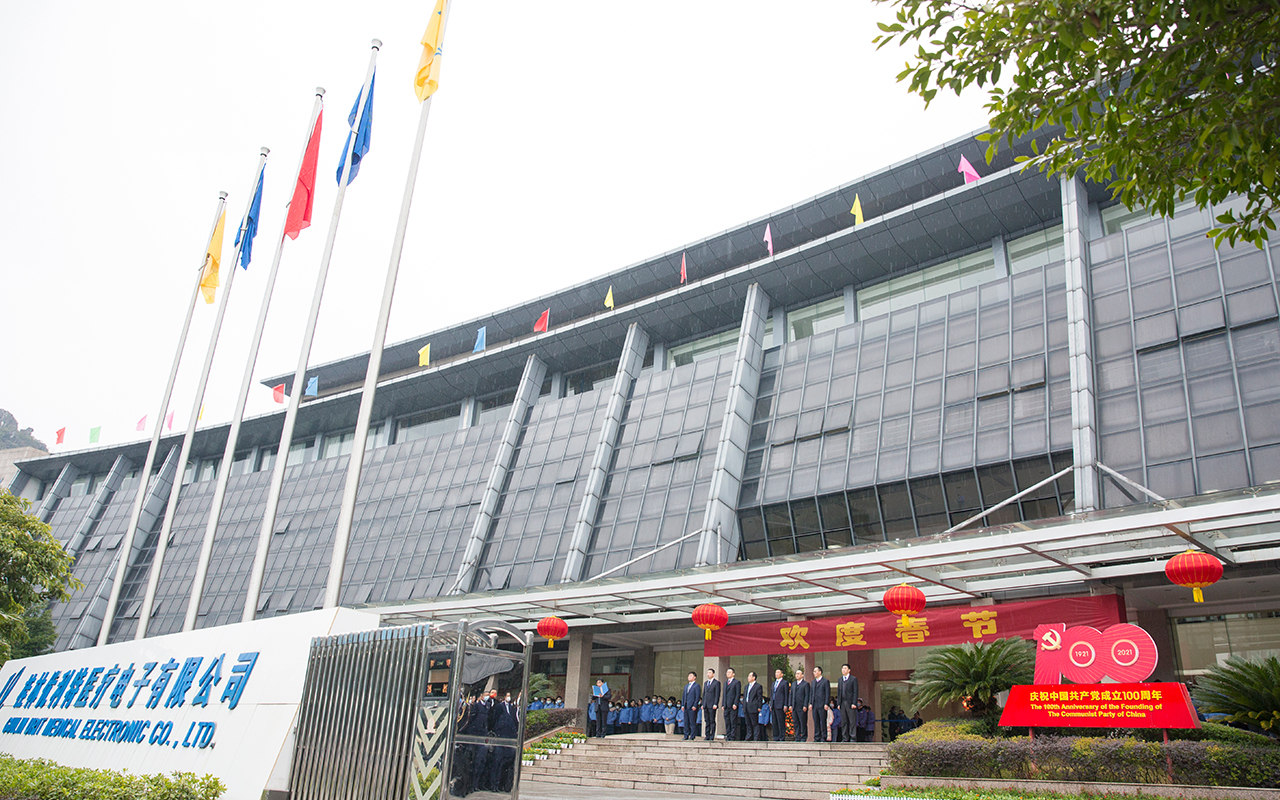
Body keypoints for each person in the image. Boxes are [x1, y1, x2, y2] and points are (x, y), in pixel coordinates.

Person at [837, 663, 859, 745]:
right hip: (842, 703)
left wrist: (854, 702)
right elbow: (839, 692)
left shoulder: (853, 679)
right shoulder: (840, 680)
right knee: (844, 721)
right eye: (842, 668)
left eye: (845, 668)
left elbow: (855, 692)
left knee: (852, 721)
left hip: (850, 703)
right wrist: (838, 703)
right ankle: (845, 738)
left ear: (849, 670)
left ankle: (853, 737)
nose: (843, 670)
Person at [769, 668, 790, 742]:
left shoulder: (784, 683)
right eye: (776, 672)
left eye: (778, 672)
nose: (776, 674)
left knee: (780, 721)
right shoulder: (773, 683)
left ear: (782, 674)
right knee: (774, 722)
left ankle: (781, 737)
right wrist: (771, 704)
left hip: (780, 704)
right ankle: (776, 736)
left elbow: (786, 694)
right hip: (774, 704)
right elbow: (771, 694)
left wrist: (785, 704)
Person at [811, 666, 830, 742]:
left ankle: (824, 736)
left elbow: (827, 693)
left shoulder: (825, 681)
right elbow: (811, 693)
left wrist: (826, 703)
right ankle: (817, 737)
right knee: (816, 721)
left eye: (815, 671)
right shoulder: (813, 682)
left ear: (820, 672)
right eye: (813, 671)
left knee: (822, 720)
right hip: (815, 704)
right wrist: (810, 703)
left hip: (822, 704)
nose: (814, 673)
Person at [791, 670, 811, 743]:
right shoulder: (793, 684)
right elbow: (791, 695)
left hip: (802, 706)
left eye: (799, 674)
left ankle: (803, 737)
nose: (797, 675)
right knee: (796, 722)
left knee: (802, 722)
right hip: (795, 706)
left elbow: (807, 695)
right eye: (796, 674)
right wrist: (790, 704)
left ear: (802, 675)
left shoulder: (805, 684)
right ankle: (797, 737)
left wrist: (805, 705)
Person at [701, 668, 721, 741]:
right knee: (707, 720)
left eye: (710, 673)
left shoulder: (716, 683)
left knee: (712, 720)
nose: (708, 674)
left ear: (713, 674)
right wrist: (703, 703)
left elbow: (717, 694)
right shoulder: (706, 683)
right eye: (707, 673)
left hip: (712, 705)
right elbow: (704, 694)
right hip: (706, 704)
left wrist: (715, 703)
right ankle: (707, 735)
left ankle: (712, 735)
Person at [743, 672, 763, 741]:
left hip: (753, 707)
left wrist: (759, 706)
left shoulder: (758, 686)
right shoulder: (746, 686)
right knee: (748, 723)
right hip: (746, 707)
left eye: (750, 676)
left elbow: (759, 697)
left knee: (755, 723)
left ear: (754, 677)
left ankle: (756, 738)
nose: (748, 677)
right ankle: (749, 736)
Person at [681, 671, 701, 740]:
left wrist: (695, 705)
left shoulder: (696, 686)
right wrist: (683, 705)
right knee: (686, 721)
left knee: (692, 722)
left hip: (692, 706)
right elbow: (683, 696)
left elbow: (697, 696)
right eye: (688, 676)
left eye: (691, 676)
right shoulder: (686, 686)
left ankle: (692, 735)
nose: (689, 677)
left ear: (694, 677)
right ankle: (686, 735)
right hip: (686, 706)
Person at [723, 667, 742, 741]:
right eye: (727, 672)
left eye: (729, 672)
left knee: (733, 721)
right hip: (726, 705)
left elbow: (737, 694)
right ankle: (728, 735)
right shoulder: (725, 683)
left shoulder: (736, 682)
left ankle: (733, 736)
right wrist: (723, 704)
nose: (728, 674)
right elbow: (724, 695)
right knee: (727, 721)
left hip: (733, 705)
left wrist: (735, 703)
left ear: (733, 674)